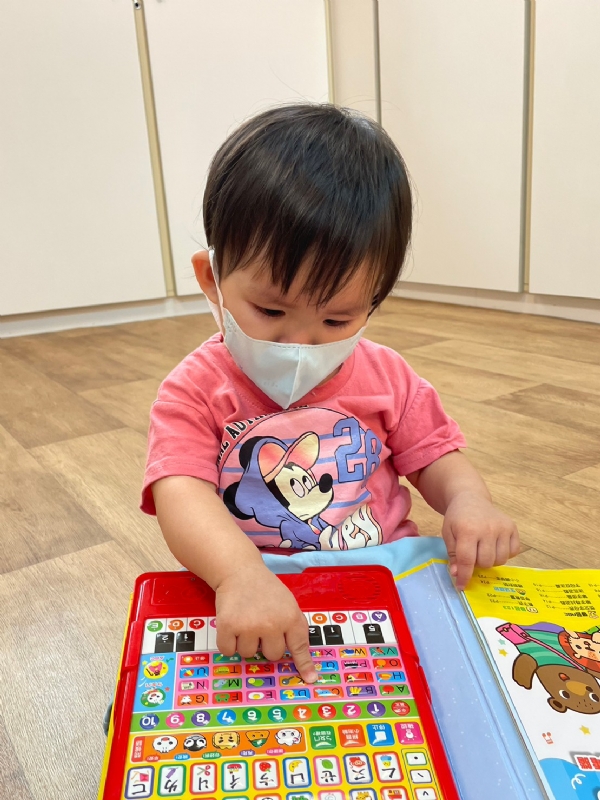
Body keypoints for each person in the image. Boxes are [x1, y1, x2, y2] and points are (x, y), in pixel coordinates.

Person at [141, 103, 520, 683]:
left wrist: (469, 501)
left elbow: (435, 455)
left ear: (374, 301)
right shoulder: (195, 389)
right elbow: (180, 493)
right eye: (271, 311)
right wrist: (238, 574)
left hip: (381, 575)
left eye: (337, 320)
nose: (300, 343)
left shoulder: (387, 376)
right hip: (253, 588)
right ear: (212, 279)